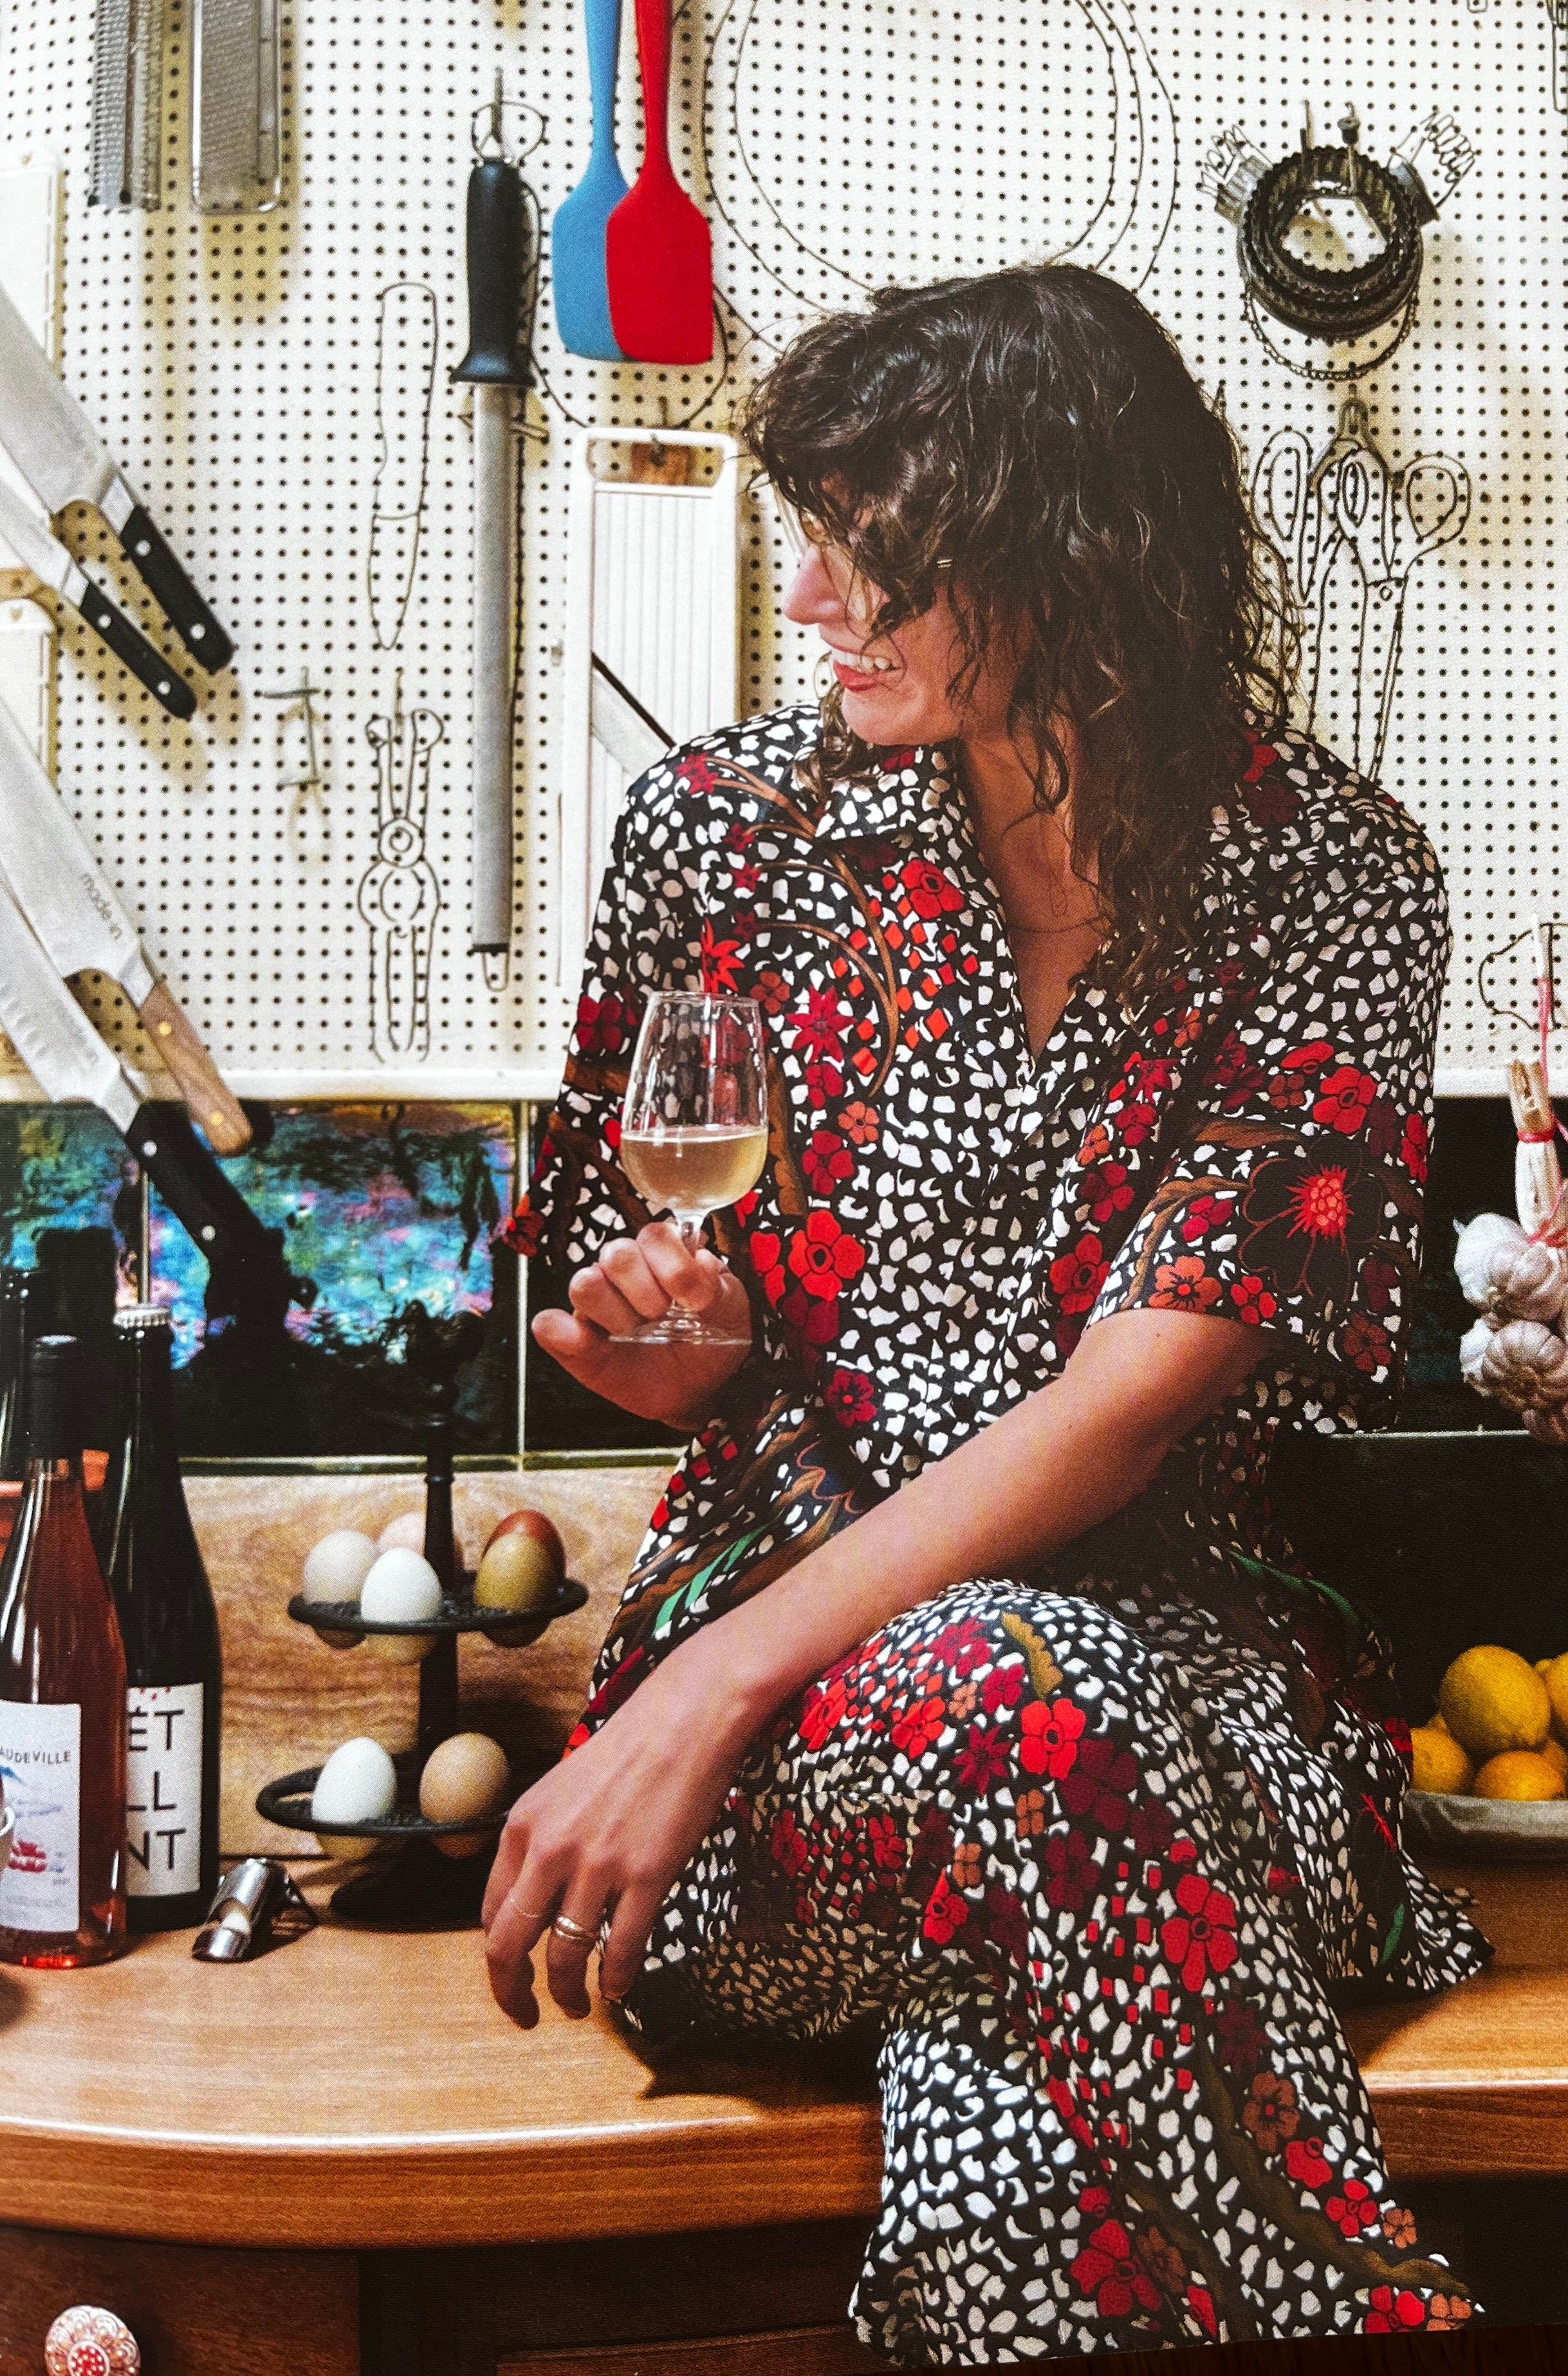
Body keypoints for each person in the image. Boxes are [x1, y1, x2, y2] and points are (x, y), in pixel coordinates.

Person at [493, 264, 1489, 2362]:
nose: (812, 600)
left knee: (1028, 1760)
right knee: (1017, 1722)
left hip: (1184, 1696)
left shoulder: (1334, 882)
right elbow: (635, 1283)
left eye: (878, 557)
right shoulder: (727, 841)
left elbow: (1134, 1410)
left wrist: (694, 1693)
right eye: (813, 539)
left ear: (1076, 560)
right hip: (811, 1786)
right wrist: (684, 1353)